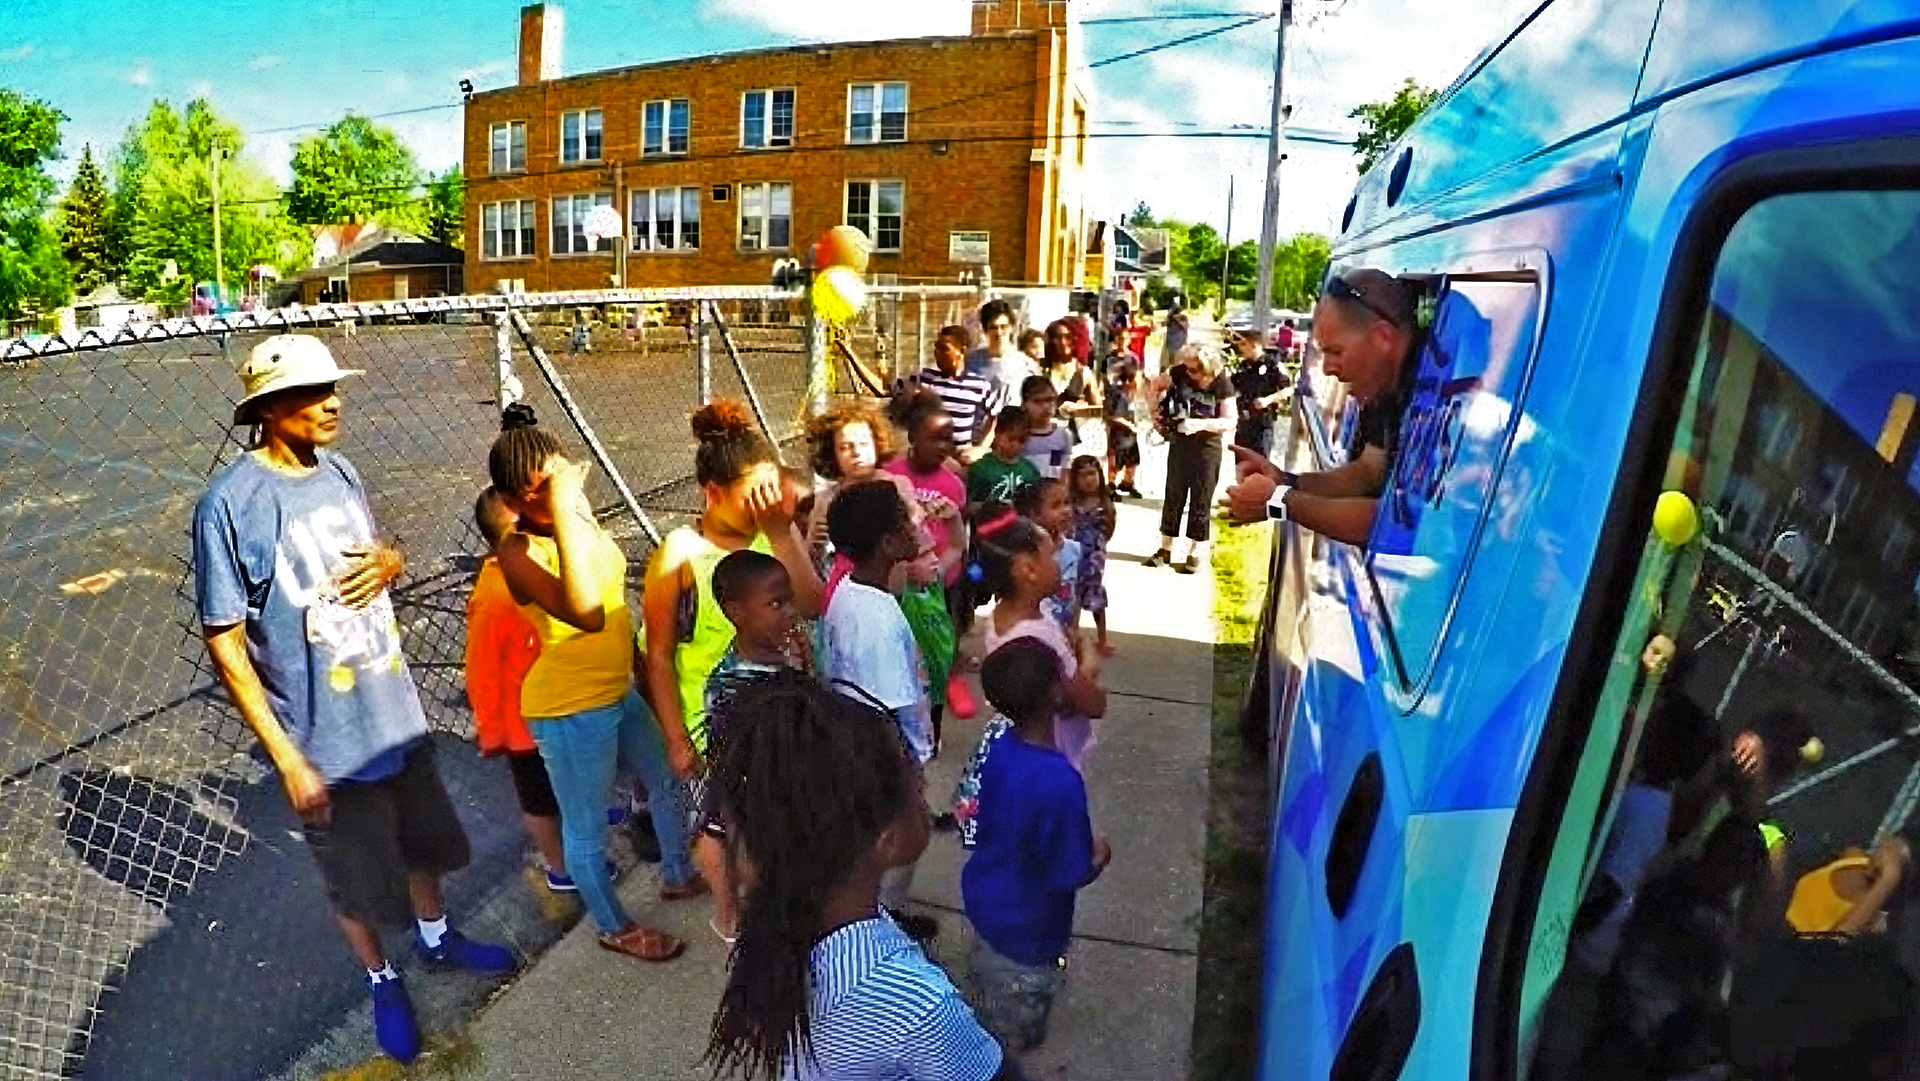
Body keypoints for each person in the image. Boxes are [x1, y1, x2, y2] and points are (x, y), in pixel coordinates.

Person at [193, 335, 513, 1065]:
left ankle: (436, 938)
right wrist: (289, 759)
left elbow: (375, 556)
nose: (333, 402)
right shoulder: (230, 506)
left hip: (391, 713)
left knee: (420, 843)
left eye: (333, 387)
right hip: (324, 739)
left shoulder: (339, 469)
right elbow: (225, 641)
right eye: (312, 393)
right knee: (356, 878)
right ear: (268, 409)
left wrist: (394, 560)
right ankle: (382, 976)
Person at [702, 672, 1021, 1081]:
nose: (924, 791)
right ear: (885, 842)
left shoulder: (778, 922)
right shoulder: (919, 1006)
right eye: (917, 791)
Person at [487, 414, 697, 965]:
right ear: (515, 499)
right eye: (542, 489)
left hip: (615, 690)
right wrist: (563, 507)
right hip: (568, 706)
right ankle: (611, 925)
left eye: (557, 480)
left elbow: (609, 603)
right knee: (584, 828)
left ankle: (677, 873)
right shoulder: (517, 552)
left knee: (668, 778)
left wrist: (638, 675)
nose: (558, 494)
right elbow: (581, 609)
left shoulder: (575, 521)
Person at [643, 401, 825, 940]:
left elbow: (813, 604)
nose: (765, 502)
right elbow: (657, 652)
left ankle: (780, 891)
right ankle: (728, 910)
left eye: (772, 488)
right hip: (715, 718)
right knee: (720, 823)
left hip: (779, 708)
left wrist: (783, 530)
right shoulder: (680, 552)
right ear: (712, 492)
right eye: (753, 493)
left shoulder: (773, 533)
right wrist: (676, 737)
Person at [963, 638, 1111, 1052]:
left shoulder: (999, 748)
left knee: (989, 1005)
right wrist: (1099, 856)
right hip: (1028, 938)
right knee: (1009, 1042)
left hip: (989, 909)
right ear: (1055, 693)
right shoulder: (1060, 782)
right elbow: (1070, 871)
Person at [821, 480, 940, 941]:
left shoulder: (853, 592)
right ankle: (883, 929)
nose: (917, 522)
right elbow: (888, 712)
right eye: (906, 518)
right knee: (895, 846)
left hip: (859, 752)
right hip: (884, 762)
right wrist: (909, 776)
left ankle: (885, 917)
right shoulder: (879, 622)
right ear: (890, 543)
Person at [1225, 269, 1423, 545]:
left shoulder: (1446, 391)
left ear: (1382, 338)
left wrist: (1280, 501)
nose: (1328, 369)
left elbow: (1404, 524)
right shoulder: (1386, 387)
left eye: (1335, 351)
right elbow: (1368, 472)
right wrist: (1285, 480)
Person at [464, 486, 571, 893]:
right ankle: (560, 868)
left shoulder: (538, 569)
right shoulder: (493, 595)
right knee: (539, 801)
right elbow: (481, 671)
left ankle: (576, 834)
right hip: (522, 727)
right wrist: (492, 732)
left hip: (555, 707)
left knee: (563, 782)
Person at [700, 548, 809, 947]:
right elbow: (737, 797)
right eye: (775, 604)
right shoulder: (735, 691)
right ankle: (740, 922)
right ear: (736, 612)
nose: (789, 612)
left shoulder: (778, 659)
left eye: (789, 600)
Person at [968, 507, 1106, 776]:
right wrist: (1088, 660)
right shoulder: (1040, 639)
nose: (1058, 562)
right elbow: (1091, 704)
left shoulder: (1003, 617)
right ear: (1028, 570)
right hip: (1052, 755)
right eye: (1051, 555)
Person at [887, 388, 976, 729]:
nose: (942, 447)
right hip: (902, 582)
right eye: (933, 439)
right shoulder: (891, 474)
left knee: (940, 640)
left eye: (947, 440)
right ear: (912, 438)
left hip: (941, 579)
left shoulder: (954, 484)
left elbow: (959, 534)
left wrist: (948, 568)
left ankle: (943, 689)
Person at [802, 398, 916, 590]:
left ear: (877, 443)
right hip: (847, 585)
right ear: (832, 453)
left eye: (863, 443)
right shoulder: (827, 498)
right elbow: (813, 552)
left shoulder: (897, 486)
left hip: (897, 582)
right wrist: (813, 537)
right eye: (845, 447)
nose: (856, 453)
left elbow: (917, 534)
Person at [1144, 344, 1237, 574]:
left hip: (1208, 446)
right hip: (1180, 441)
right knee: (1173, 493)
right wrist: (1155, 414)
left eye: (1194, 369)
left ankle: (1195, 551)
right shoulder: (1179, 373)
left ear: (1208, 369)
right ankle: (1165, 548)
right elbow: (1155, 384)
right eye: (1187, 368)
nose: (1189, 373)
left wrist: (1199, 425)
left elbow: (1230, 420)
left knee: (1201, 497)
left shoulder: (1222, 383)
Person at [911, 324, 1001, 457]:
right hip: (930, 455)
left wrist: (980, 448)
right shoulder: (926, 378)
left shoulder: (979, 385)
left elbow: (994, 419)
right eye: (936, 348)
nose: (938, 354)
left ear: (962, 352)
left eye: (944, 349)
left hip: (961, 456)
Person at [1013, 478, 1082, 637]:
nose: (1066, 510)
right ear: (1034, 514)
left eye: (1066, 502)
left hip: (1060, 634)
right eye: (1056, 505)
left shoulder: (1073, 549)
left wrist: (1074, 629)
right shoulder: (1025, 552)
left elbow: (1073, 595)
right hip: (1028, 635)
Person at [1067, 455, 1117, 656]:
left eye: (1092, 474)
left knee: (1095, 592)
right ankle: (1071, 636)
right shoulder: (1071, 502)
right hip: (1072, 554)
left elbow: (1110, 527)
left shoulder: (1104, 502)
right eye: (1083, 476)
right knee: (1073, 595)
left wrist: (1100, 544)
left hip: (1094, 556)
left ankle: (1102, 637)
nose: (1089, 480)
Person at [1228, 329, 1292, 459]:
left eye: (1243, 344)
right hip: (1243, 424)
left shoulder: (1271, 364)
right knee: (1242, 467)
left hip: (1262, 424)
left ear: (1254, 345)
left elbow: (1289, 389)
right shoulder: (1243, 366)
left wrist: (1268, 400)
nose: (1239, 348)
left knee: (1259, 465)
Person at [968, 406, 1044, 513]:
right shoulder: (980, 469)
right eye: (1011, 438)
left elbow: (1037, 506)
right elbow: (969, 506)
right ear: (998, 435)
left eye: (1022, 439)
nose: (1016, 444)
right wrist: (994, 506)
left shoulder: (1030, 471)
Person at [967, 297, 1037, 408]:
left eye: (1003, 327)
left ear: (1011, 328)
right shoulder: (971, 362)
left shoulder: (1025, 365)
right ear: (985, 330)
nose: (999, 332)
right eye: (993, 327)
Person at [1041, 318, 1100, 447]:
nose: (1063, 342)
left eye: (1067, 337)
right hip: (1045, 437)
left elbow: (1099, 410)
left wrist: (1078, 409)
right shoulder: (1042, 370)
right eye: (1057, 337)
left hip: (1075, 441)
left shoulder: (1083, 372)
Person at [1018, 376, 1073, 481]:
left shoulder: (1064, 435)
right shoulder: (1016, 436)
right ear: (1024, 403)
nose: (1046, 406)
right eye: (1038, 401)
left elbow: (1065, 474)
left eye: (1050, 400)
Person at [1104, 354, 1143, 499]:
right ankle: (1111, 485)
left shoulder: (1132, 393)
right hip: (1118, 433)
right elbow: (1114, 416)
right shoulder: (1119, 393)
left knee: (1133, 460)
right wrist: (1129, 425)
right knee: (1116, 460)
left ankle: (1127, 483)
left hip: (1130, 434)